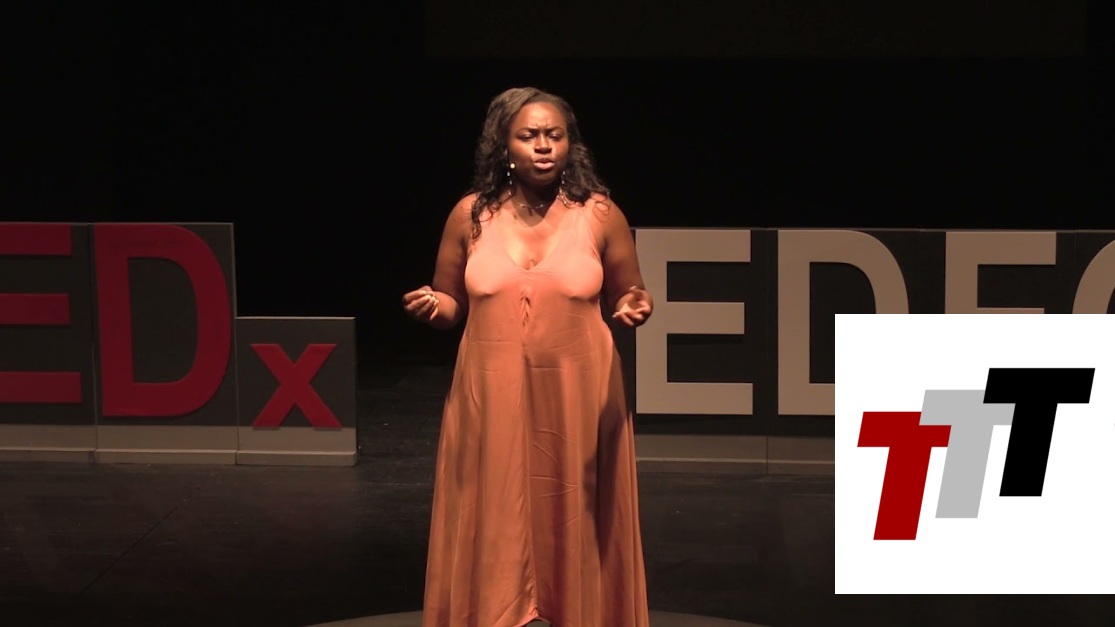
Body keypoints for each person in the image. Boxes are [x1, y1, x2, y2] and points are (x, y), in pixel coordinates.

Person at [402, 86, 654, 627]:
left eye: (554, 135)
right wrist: (434, 306)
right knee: (492, 506)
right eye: (529, 135)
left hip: (578, 394)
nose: (543, 146)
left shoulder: (600, 214)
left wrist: (635, 304)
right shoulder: (470, 215)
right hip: (491, 394)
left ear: (569, 144)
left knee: (576, 509)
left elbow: (629, 290)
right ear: (505, 145)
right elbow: (451, 301)